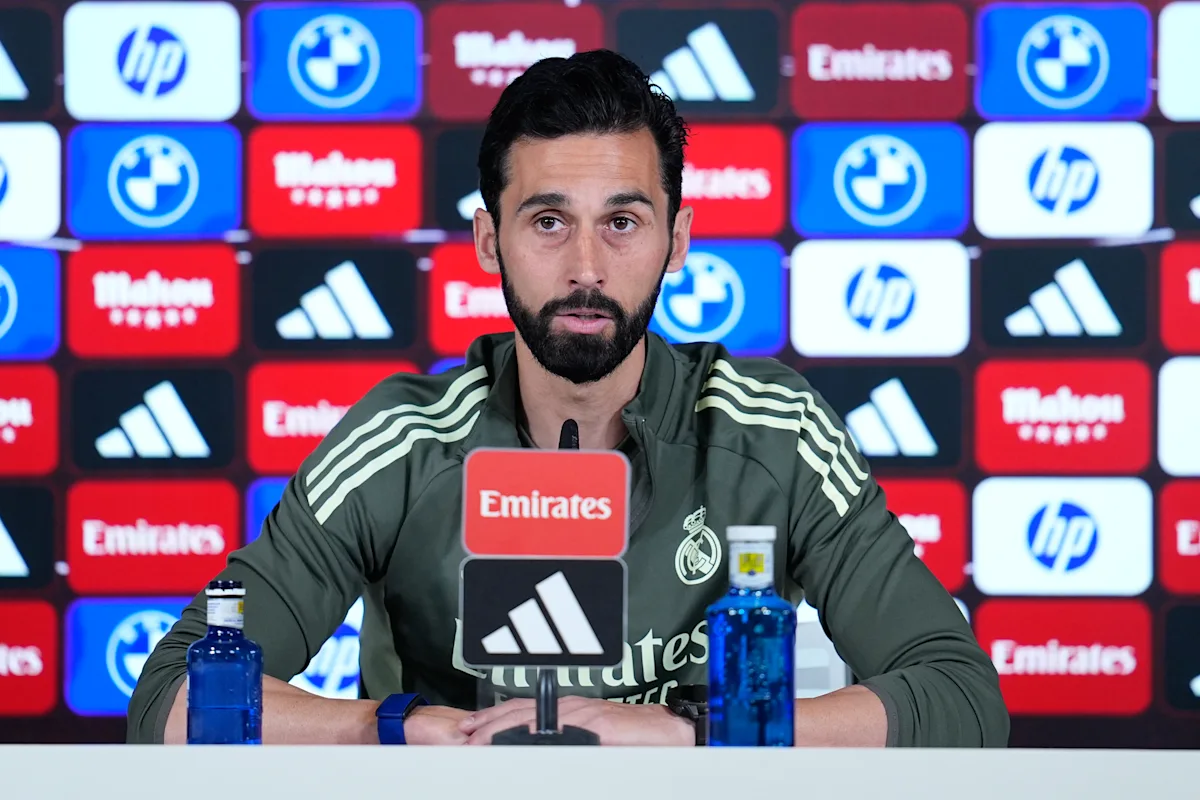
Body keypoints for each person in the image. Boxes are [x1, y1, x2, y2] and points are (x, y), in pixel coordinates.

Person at [128, 49, 1009, 748]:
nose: (586, 267)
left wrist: (686, 734)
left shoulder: (773, 432)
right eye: (548, 221)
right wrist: (398, 729)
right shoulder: (402, 439)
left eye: (622, 222)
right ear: (488, 240)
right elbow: (168, 702)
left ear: (677, 241)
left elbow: (962, 698)